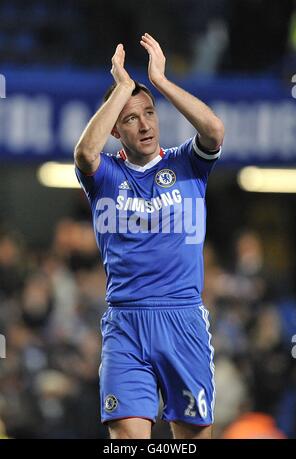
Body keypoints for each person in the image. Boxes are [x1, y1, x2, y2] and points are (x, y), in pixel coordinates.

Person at [74, 33, 224, 439]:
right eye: (130, 119)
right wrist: (123, 87)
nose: (144, 125)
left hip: (183, 320)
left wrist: (160, 82)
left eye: (150, 113)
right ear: (117, 132)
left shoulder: (188, 165)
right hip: (125, 323)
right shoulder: (105, 176)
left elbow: (213, 129)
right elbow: (85, 154)